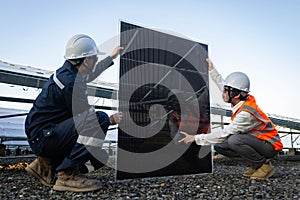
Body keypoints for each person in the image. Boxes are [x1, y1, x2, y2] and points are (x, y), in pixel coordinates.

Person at [25, 34, 123, 192]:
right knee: (100, 119)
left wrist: (112, 56)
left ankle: (46, 165)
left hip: (45, 133)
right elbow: (89, 118)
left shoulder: (71, 73)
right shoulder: (71, 83)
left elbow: (90, 74)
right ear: (85, 61)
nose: (96, 61)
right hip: (44, 136)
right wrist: (111, 120)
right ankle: (66, 175)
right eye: (94, 58)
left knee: (101, 158)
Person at [179, 58, 283, 180]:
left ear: (236, 94)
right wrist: (212, 71)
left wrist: (195, 138)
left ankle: (264, 166)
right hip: (257, 141)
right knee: (220, 146)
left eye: (226, 91)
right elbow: (223, 84)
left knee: (234, 140)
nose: (222, 93)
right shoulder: (240, 100)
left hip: (270, 145)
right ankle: (257, 165)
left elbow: (225, 133)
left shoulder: (246, 114)